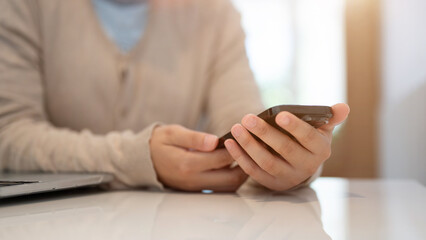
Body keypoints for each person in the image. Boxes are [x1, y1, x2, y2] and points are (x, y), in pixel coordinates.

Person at [0, 0, 349, 192]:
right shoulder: (24, 7)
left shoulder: (214, 13)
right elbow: (9, 134)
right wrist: (137, 158)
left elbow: (241, 118)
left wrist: (285, 162)